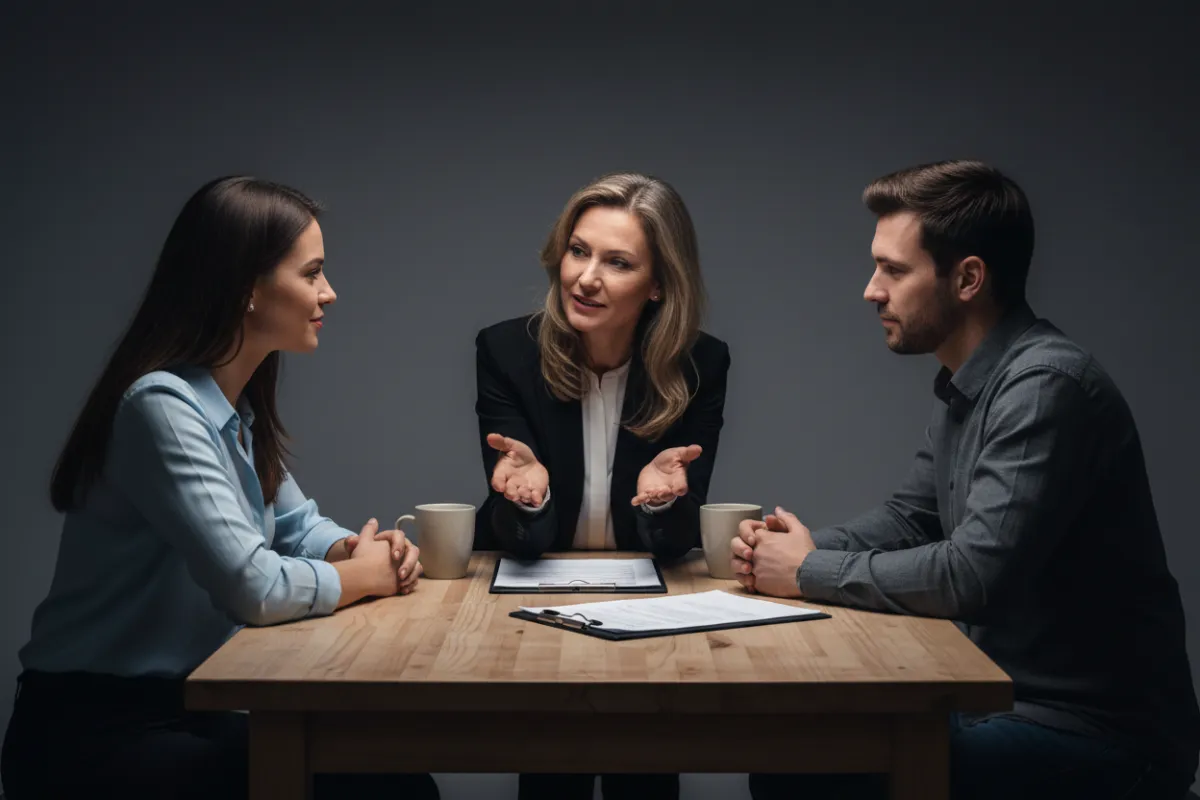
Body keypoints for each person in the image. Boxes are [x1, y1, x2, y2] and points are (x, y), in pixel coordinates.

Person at [733, 159, 1200, 800]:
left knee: (812, 779)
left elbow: (974, 574)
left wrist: (808, 570)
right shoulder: (973, 382)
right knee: (797, 752)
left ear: (968, 278)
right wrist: (782, 551)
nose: (872, 290)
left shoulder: (1045, 388)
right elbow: (911, 518)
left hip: (1100, 736)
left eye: (894, 270)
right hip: (1000, 701)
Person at [1, 176, 438, 799]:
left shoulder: (231, 409)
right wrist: (368, 576)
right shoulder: (161, 406)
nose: (330, 293)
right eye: (311, 273)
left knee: (396, 785)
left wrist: (357, 549)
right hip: (91, 733)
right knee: (387, 793)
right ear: (246, 291)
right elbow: (250, 586)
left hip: (181, 711)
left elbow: (297, 525)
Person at [474, 171, 730, 799]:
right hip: (528, 608)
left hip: (652, 612)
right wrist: (526, 495)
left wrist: (665, 499)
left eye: (618, 263)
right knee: (550, 781)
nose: (586, 278)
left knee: (644, 779)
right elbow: (518, 537)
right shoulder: (506, 350)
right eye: (578, 251)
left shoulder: (702, 364)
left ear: (659, 285)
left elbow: (672, 543)